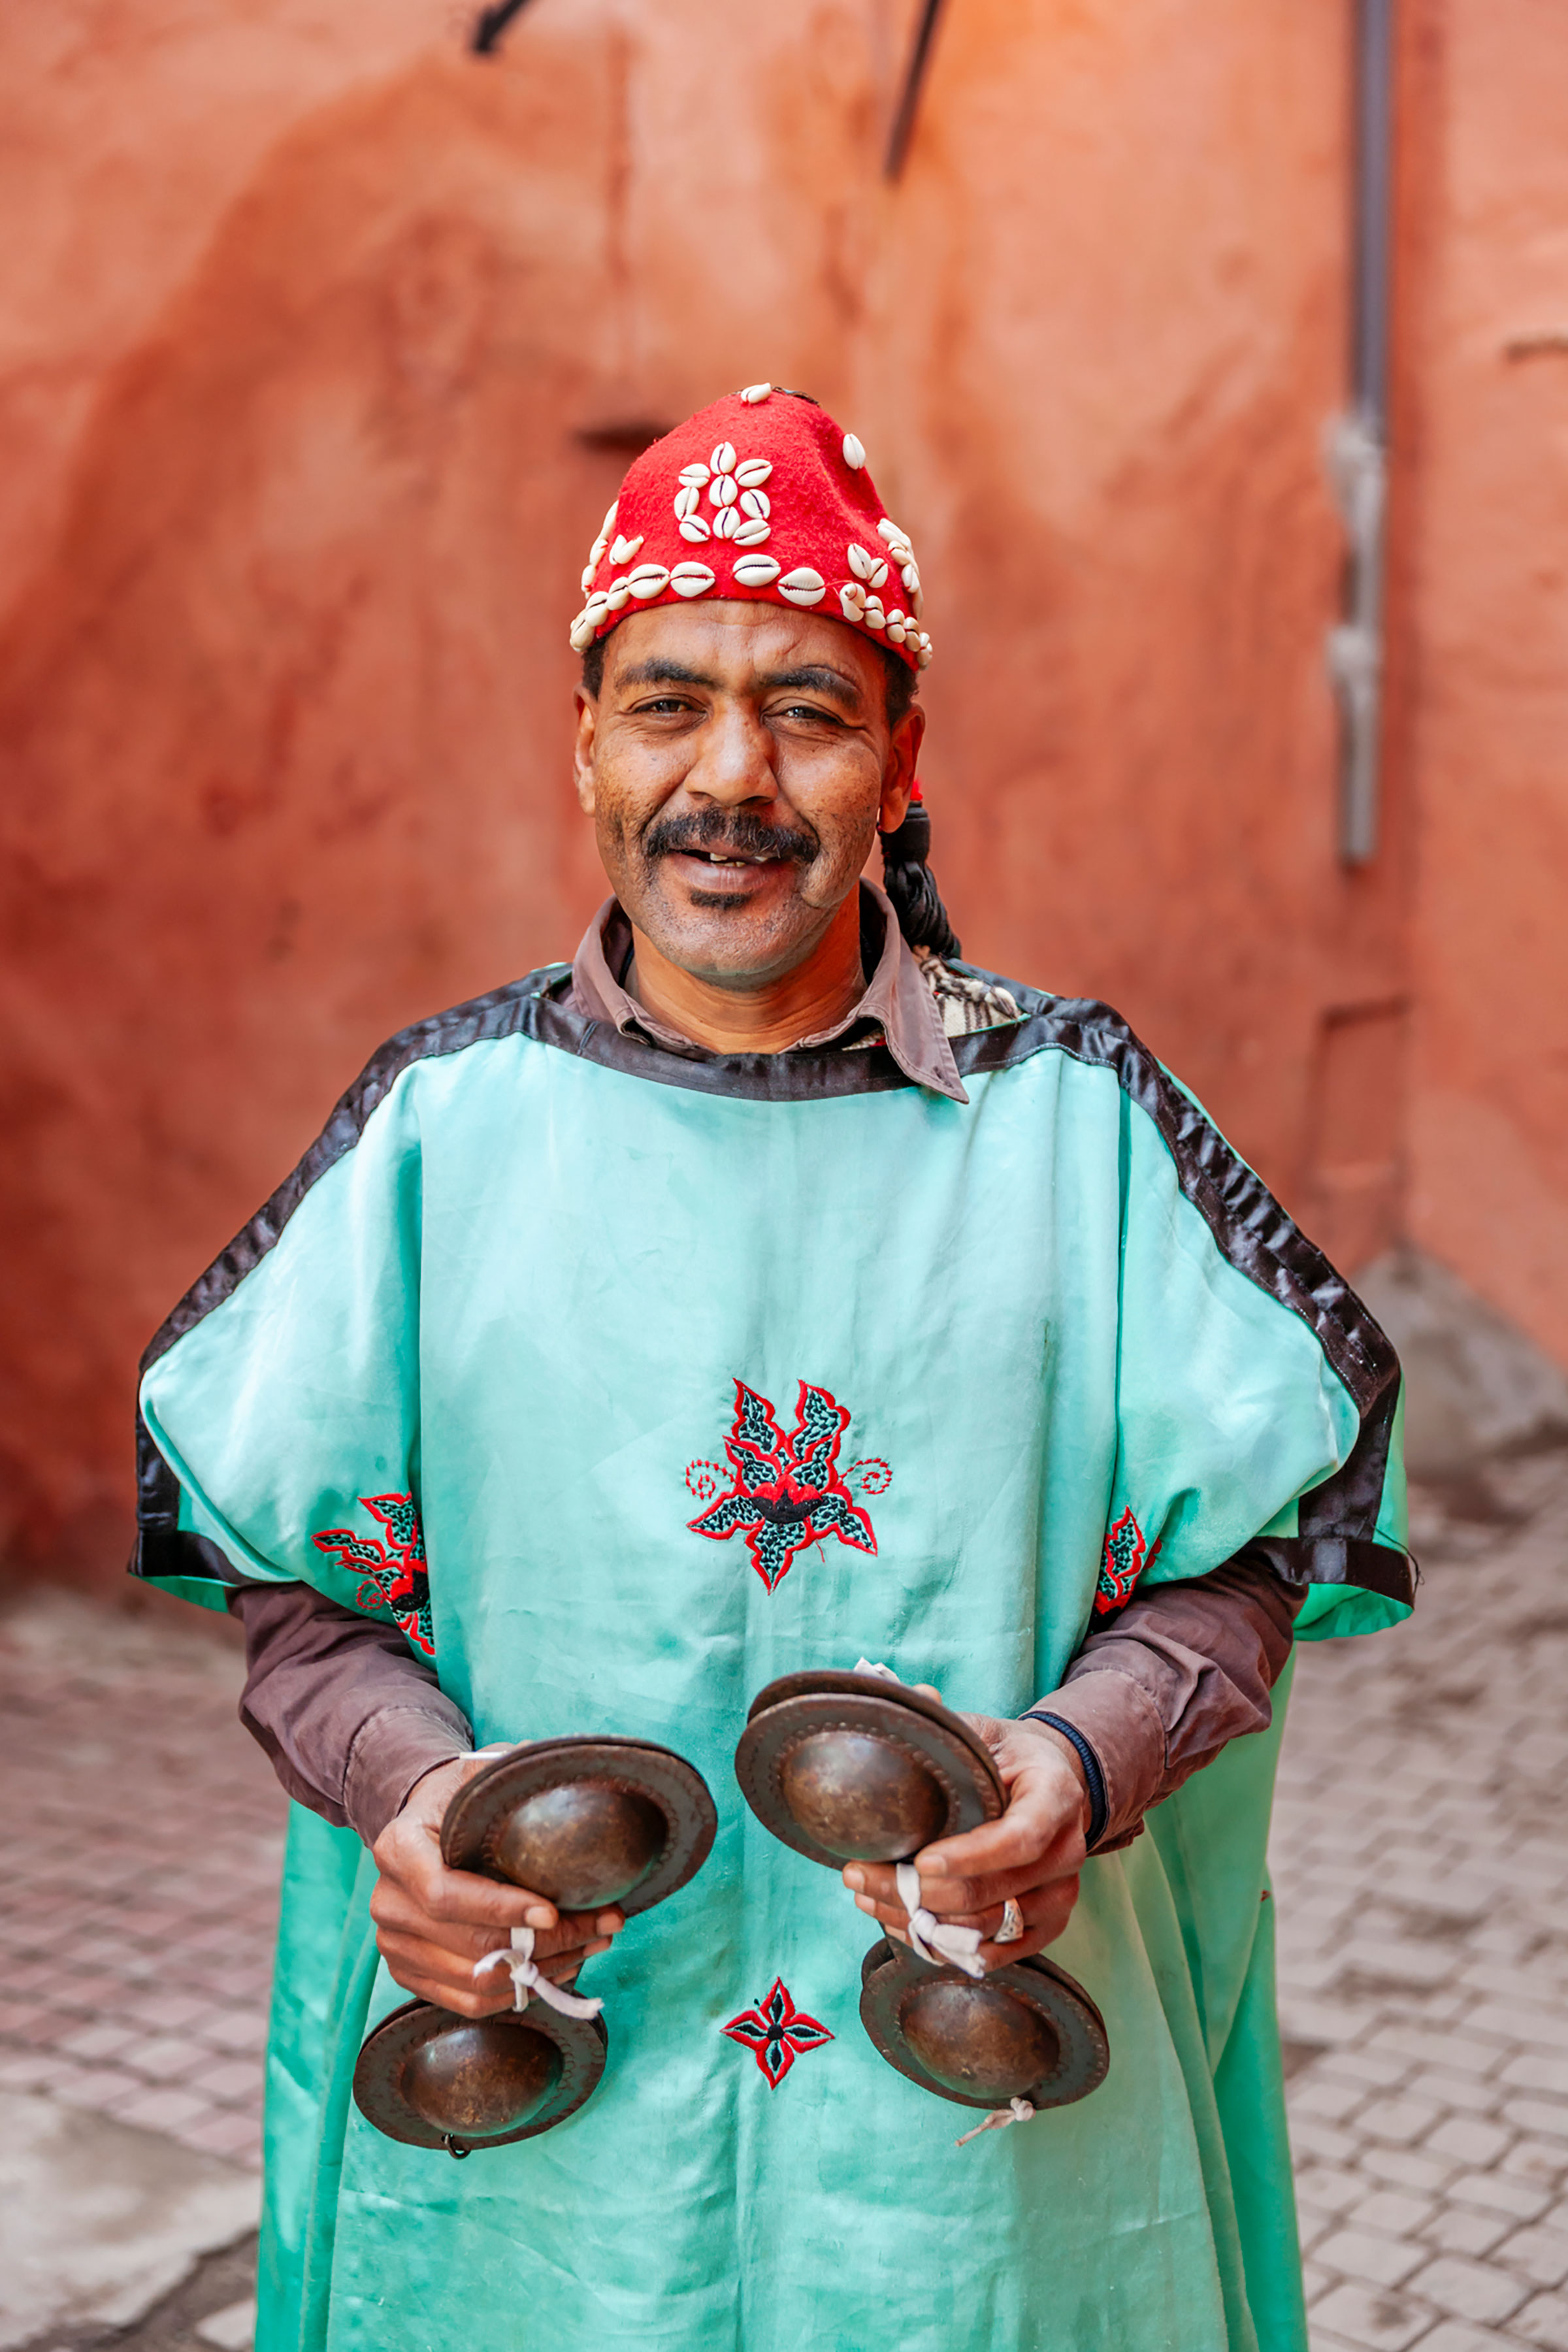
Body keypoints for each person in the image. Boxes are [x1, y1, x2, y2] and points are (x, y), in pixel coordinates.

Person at [135, 385, 1414, 2352]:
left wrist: (1082, 1761)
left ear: (901, 763)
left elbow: (1270, 1536)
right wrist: (408, 1799)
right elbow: (290, 1595)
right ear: (584, 744)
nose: (730, 774)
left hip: (972, 2199)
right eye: (666, 702)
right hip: (553, 2186)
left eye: (808, 710)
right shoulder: (431, 1137)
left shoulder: (1077, 1119)